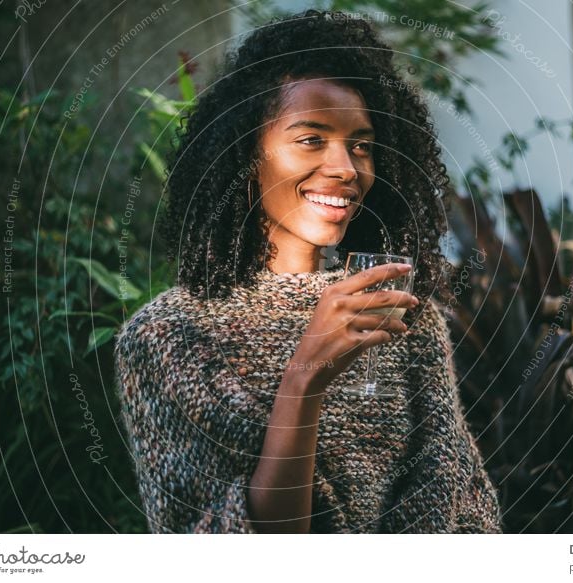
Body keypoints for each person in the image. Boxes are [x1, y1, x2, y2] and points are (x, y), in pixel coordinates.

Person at [114, 8, 503, 534]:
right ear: (246, 155)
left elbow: (458, 505)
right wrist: (305, 376)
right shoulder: (170, 337)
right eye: (311, 139)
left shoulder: (400, 315)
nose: (345, 167)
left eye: (360, 145)